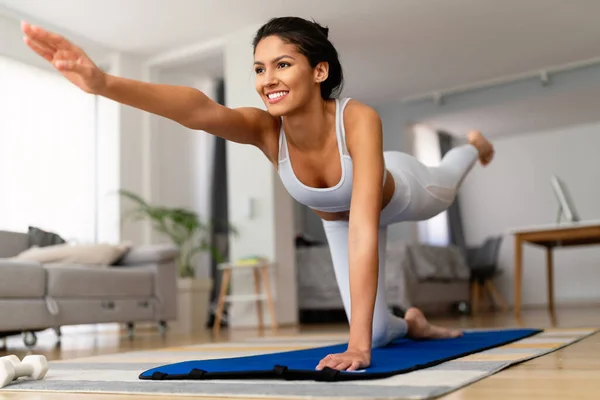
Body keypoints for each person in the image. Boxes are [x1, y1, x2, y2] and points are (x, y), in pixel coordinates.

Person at [21, 16, 494, 372]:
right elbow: (198, 110)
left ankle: (473, 148)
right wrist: (103, 83)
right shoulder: (267, 131)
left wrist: (358, 348)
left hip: (402, 189)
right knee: (373, 324)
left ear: (319, 70)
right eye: (259, 68)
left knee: (445, 185)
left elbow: (365, 230)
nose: (267, 78)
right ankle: (412, 323)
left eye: (283, 64)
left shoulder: (358, 118)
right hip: (340, 220)